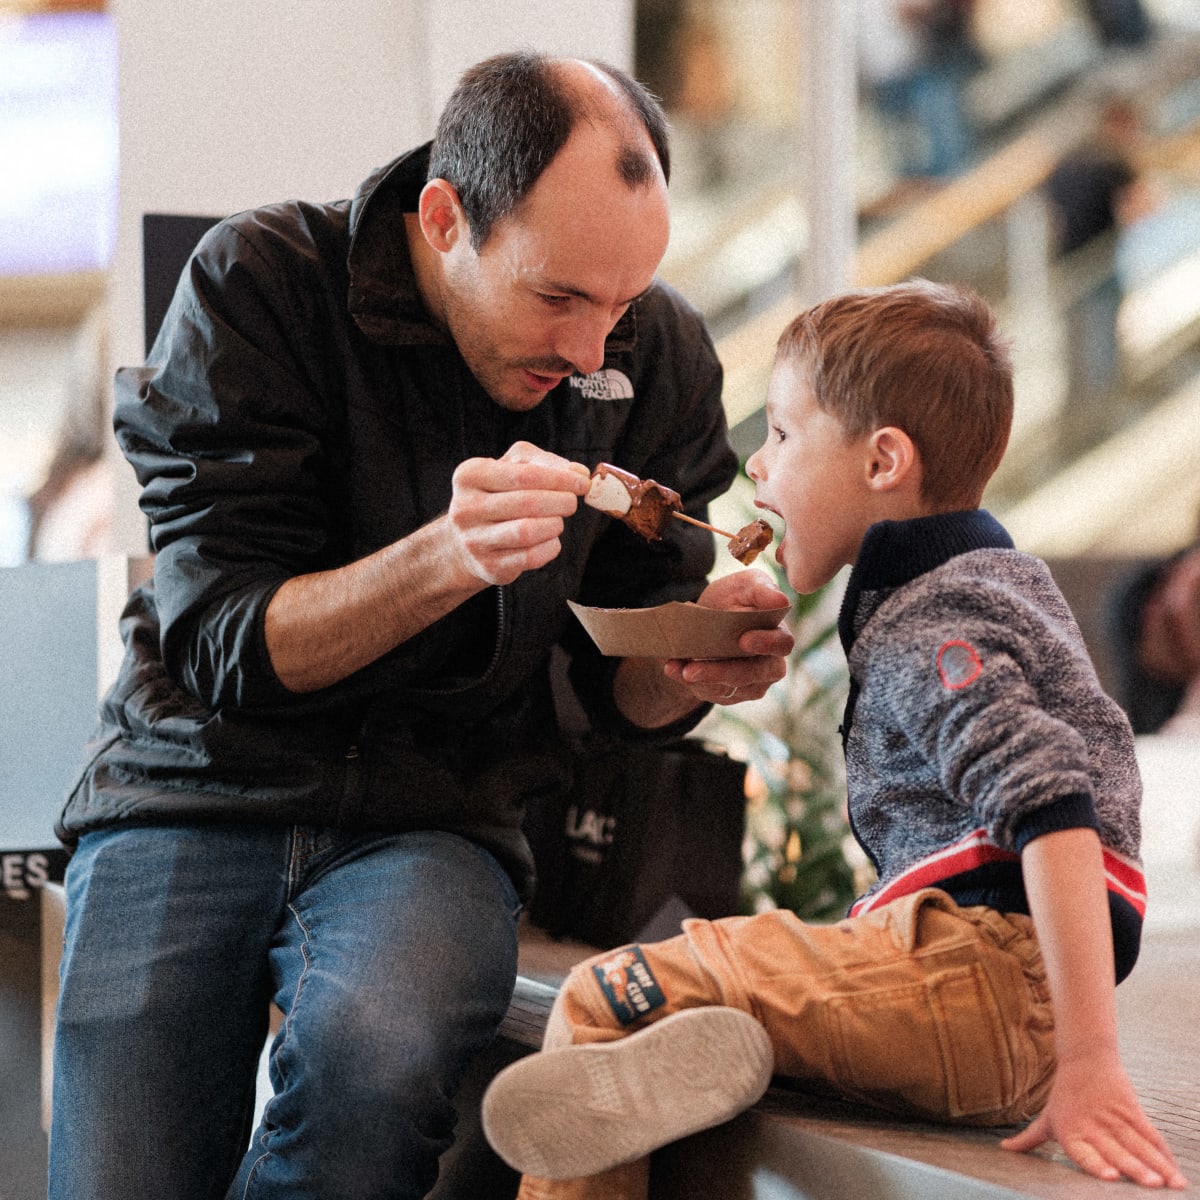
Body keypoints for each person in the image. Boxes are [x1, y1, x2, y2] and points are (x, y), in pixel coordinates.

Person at [48, 51, 793, 1200]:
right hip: (193, 784)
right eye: (559, 298)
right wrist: (446, 559)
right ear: (444, 218)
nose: (594, 352)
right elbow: (224, 645)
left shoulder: (654, 358)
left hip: (438, 811)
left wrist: (689, 666)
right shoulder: (261, 283)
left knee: (377, 1066)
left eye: (622, 303)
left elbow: (607, 690)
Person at [481, 280, 1189, 1196]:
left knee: (607, 999)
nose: (756, 470)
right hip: (993, 1010)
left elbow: (1054, 805)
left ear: (883, 460)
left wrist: (1093, 1061)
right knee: (677, 1019)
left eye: (780, 434)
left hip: (985, 983)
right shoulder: (987, 583)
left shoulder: (937, 618)